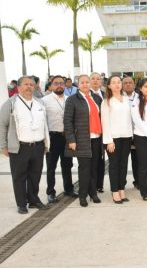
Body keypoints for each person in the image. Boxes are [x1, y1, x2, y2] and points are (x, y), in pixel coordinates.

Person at [0, 76, 50, 214]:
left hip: (38, 146)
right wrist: (3, 146)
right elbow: (2, 125)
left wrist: (46, 144)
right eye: (26, 84)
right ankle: (21, 204)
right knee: (19, 176)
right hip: (19, 147)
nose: (29, 87)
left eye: (31, 85)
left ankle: (33, 200)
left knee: (35, 175)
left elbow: (45, 124)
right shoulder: (10, 103)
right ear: (19, 87)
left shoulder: (40, 103)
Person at [64, 74, 103, 207]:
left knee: (94, 168)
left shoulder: (97, 98)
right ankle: (82, 195)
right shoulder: (72, 99)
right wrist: (71, 139)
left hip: (96, 138)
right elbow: (67, 121)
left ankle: (93, 193)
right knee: (84, 168)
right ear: (78, 84)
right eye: (82, 82)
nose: (85, 84)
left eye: (87, 82)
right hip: (81, 139)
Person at [43, 75, 77, 203]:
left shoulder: (70, 99)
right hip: (53, 137)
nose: (59, 85)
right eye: (56, 83)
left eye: (61, 83)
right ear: (51, 85)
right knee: (51, 166)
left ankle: (69, 189)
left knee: (67, 165)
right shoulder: (45, 101)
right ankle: (50, 192)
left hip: (67, 137)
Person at [101, 76, 133, 204]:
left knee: (124, 165)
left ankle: (121, 189)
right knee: (114, 166)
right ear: (108, 85)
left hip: (126, 137)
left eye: (118, 82)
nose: (116, 84)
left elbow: (129, 119)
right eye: (113, 83)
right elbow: (105, 122)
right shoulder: (106, 102)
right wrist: (109, 140)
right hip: (113, 138)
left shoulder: (126, 99)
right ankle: (115, 191)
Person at [122, 76, 139, 189]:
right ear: (122, 85)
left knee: (137, 160)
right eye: (125, 83)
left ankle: (138, 181)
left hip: (137, 133)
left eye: (130, 83)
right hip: (123, 134)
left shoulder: (139, 97)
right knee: (122, 161)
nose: (128, 84)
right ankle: (121, 183)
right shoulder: (117, 98)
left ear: (134, 85)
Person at [90, 72, 105, 193]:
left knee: (101, 160)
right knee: (93, 162)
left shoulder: (105, 95)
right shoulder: (86, 96)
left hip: (104, 133)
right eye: (93, 79)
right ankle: (92, 186)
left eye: (98, 79)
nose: (95, 81)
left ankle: (100, 185)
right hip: (92, 133)